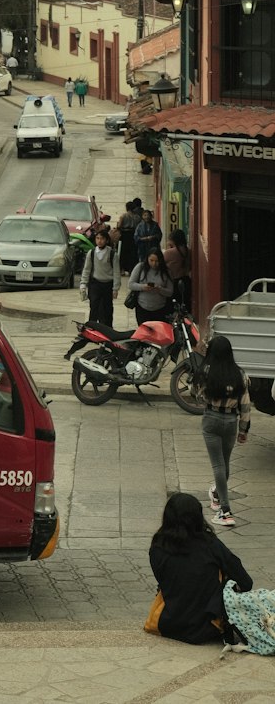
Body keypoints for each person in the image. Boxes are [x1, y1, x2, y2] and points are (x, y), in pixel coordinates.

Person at [149, 492, 252, 644]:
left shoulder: (157, 546)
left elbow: (163, 580)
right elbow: (246, 582)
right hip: (208, 628)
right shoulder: (210, 544)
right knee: (226, 574)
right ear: (197, 517)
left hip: (168, 624)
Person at [200, 335, 251, 528]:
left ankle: (225, 510)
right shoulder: (240, 374)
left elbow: (197, 393)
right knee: (224, 463)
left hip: (211, 419)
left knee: (217, 466)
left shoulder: (206, 372)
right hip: (231, 421)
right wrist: (244, 429)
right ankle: (216, 494)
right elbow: (245, 405)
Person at [80, 228, 120, 326]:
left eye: (102, 238)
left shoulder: (112, 254)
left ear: (106, 240)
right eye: (97, 238)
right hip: (95, 284)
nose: (99, 241)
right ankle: (92, 328)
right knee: (94, 306)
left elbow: (116, 272)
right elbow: (87, 269)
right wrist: (83, 284)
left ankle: (107, 329)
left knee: (107, 308)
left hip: (107, 284)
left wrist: (115, 288)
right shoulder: (92, 253)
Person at [128, 248, 173, 325]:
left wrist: (159, 289)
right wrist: (143, 287)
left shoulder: (166, 271)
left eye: (157, 261)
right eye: (151, 260)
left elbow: (170, 292)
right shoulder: (140, 267)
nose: (154, 264)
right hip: (142, 307)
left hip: (160, 309)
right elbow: (131, 284)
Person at [164, 228, 192, 311]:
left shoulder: (169, 253)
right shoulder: (188, 251)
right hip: (186, 280)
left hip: (174, 282)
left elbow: (162, 265)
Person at [112, 204, 139, 275]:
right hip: (133, 235)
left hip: (125, 235)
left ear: (127, 208)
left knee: (123, 252)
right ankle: (131, 270)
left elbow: (119, 225)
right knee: (132, 253)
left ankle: (122, 269)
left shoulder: (123, 216)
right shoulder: (137, 217)